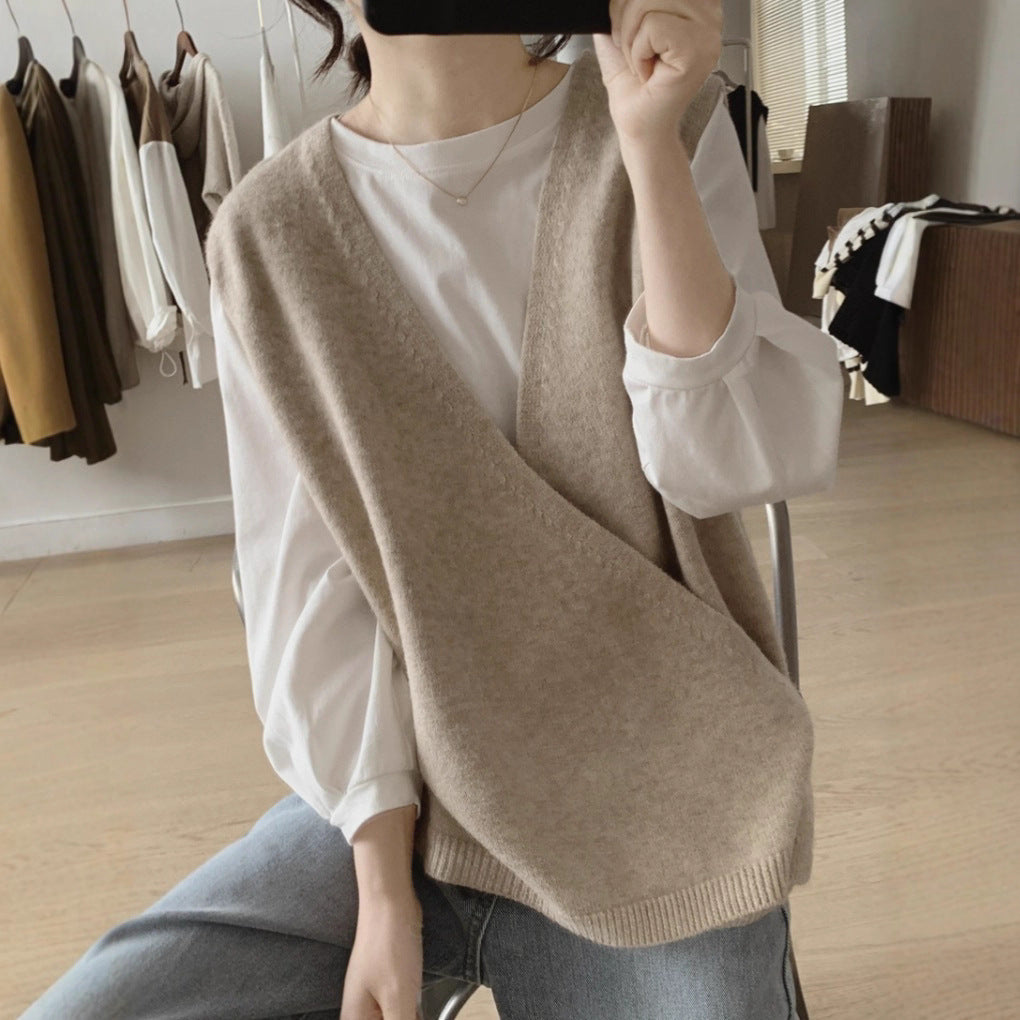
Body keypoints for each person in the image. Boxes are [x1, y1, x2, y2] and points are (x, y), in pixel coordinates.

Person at [22, 1, 843, 1017]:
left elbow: (733, 465)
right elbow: (310, 585)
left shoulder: (667, 123)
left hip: (663, 779)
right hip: (416, 791)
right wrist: (381, 891)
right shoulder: (270, 235)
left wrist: (648, 146)